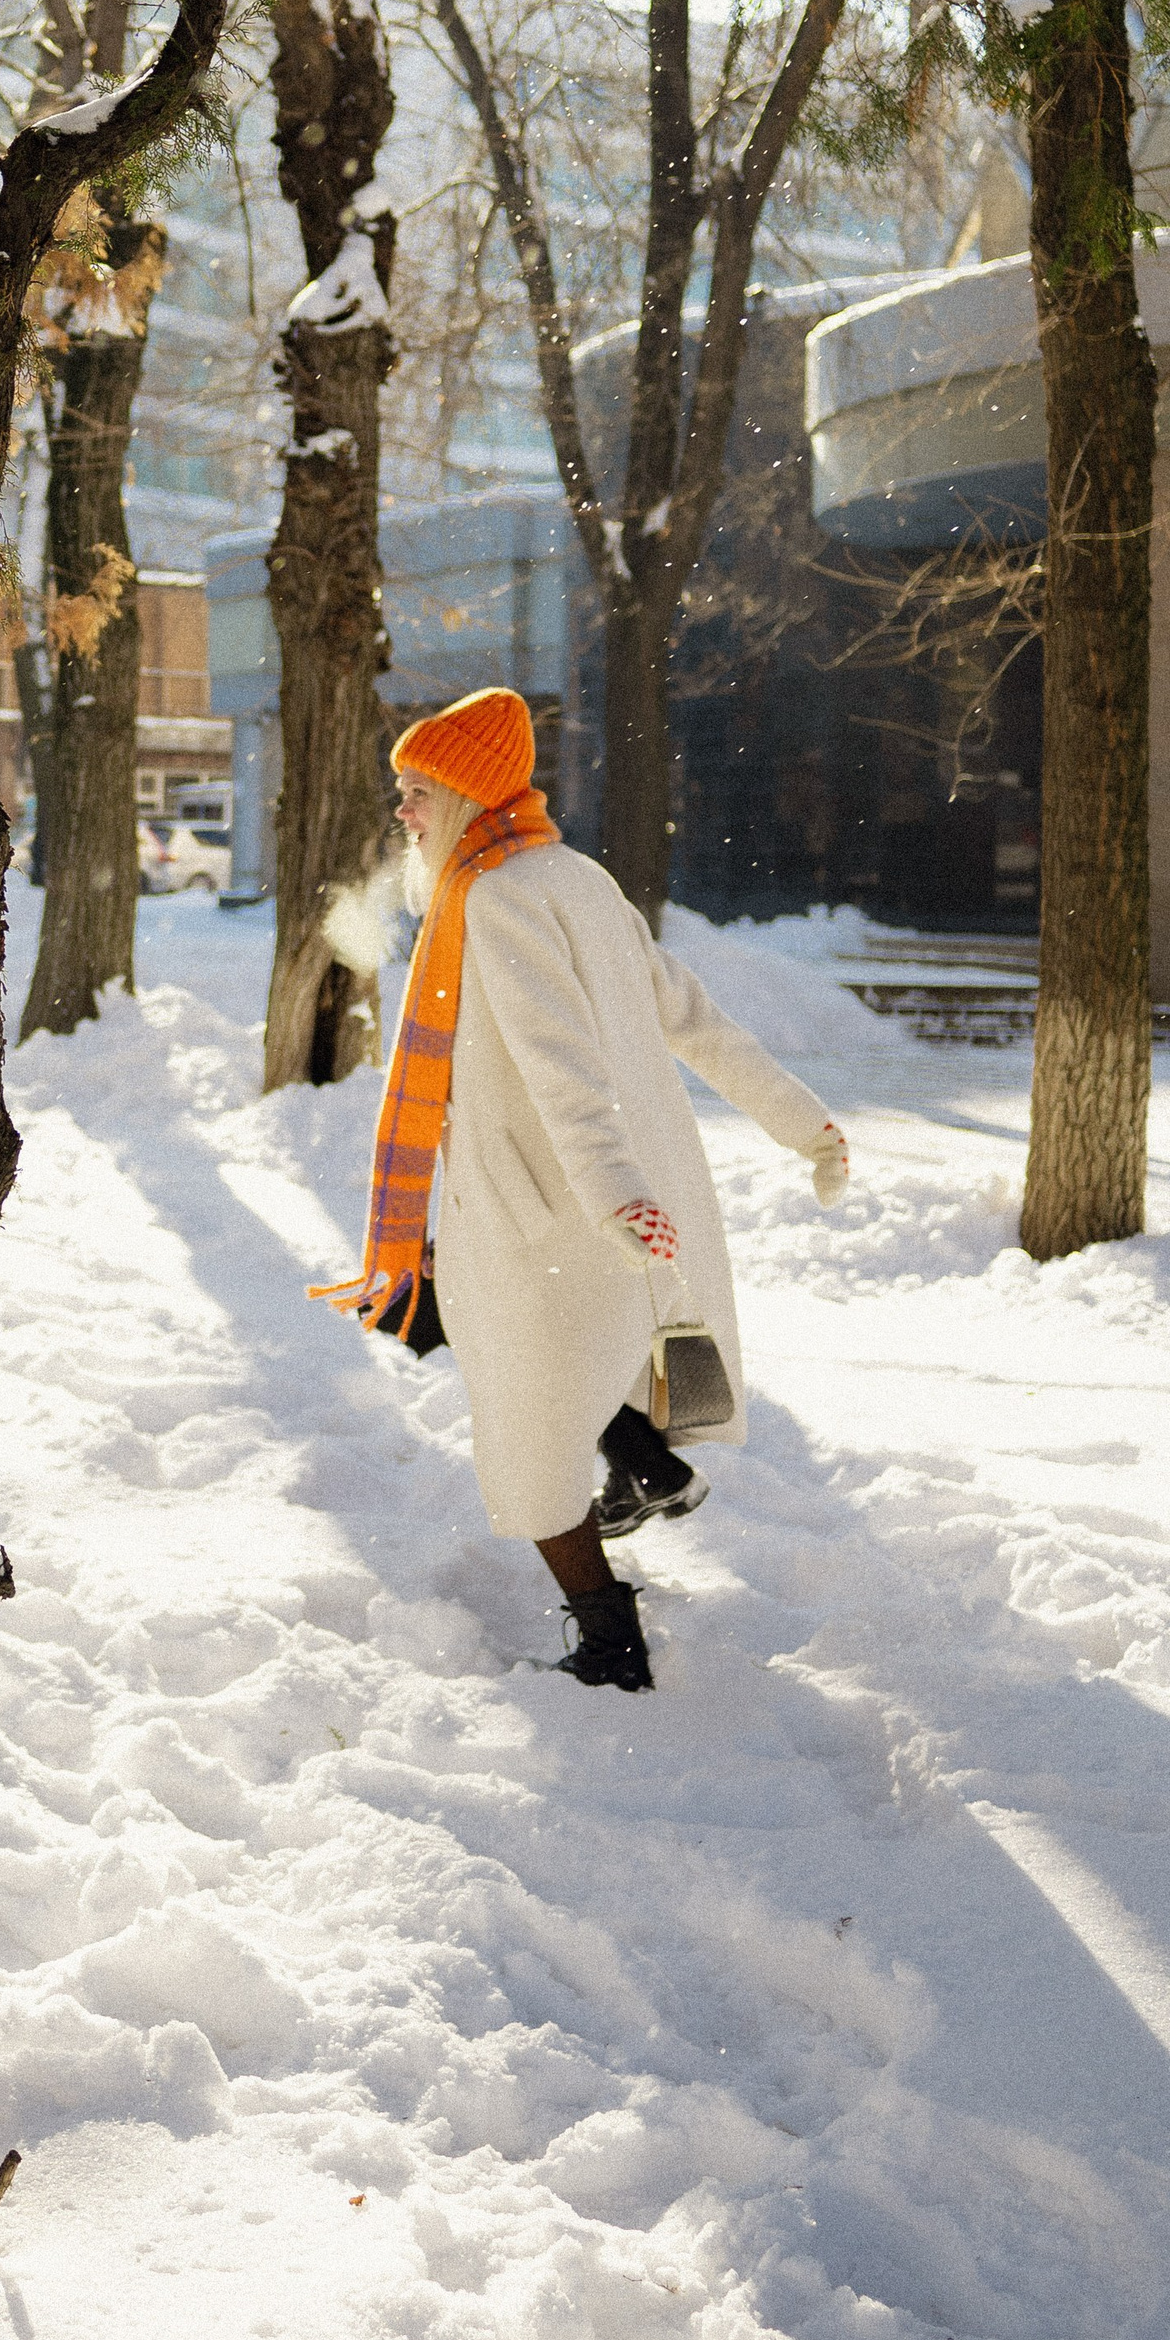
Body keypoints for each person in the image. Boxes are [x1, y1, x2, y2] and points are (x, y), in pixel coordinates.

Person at [321, 687, 850, 1691]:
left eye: (418, 789)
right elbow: (696, 1019)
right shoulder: (577, 878)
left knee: (526, 1437)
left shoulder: (496, 899)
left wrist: (613, 1193)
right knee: (481, 1344)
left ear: (466, 793)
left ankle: (610, 1643)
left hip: (549, 1213)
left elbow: (560, 1065)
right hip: (565, 1207)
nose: (403, 810)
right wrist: (803, 1121)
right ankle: (644, 1459)